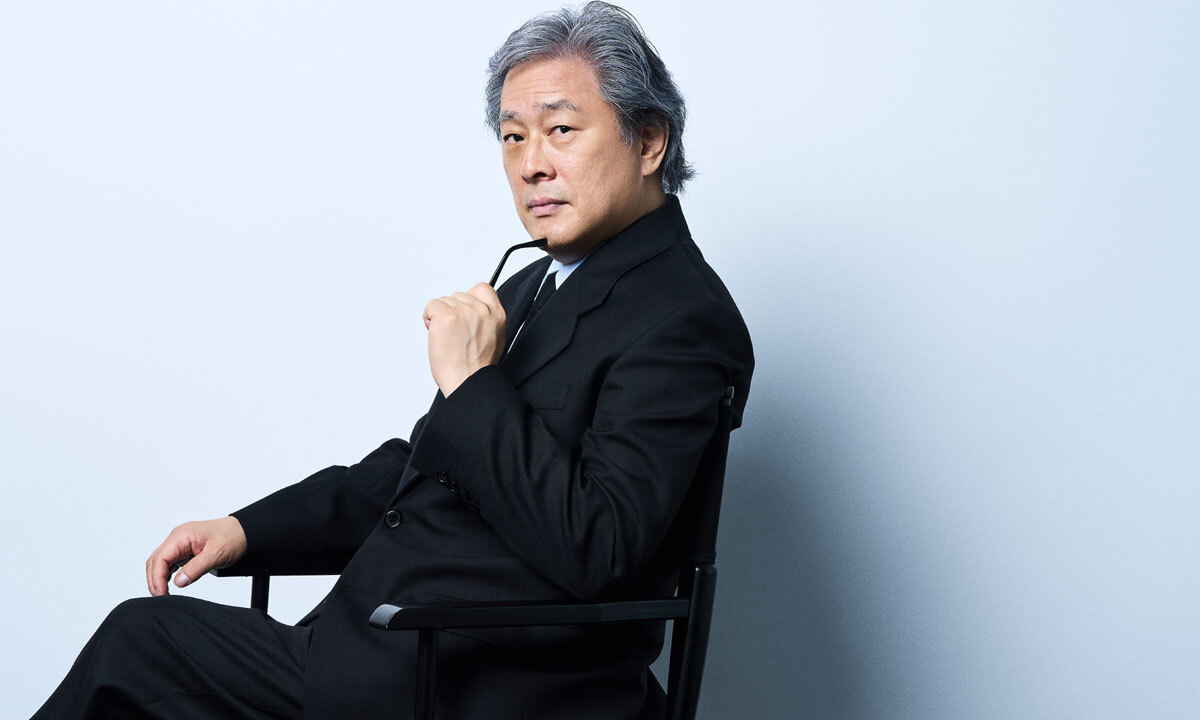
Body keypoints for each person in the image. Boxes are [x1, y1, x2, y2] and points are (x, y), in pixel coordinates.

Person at [32, 3, 752, 719]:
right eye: (512, 137)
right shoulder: (535, 283)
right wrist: (249, 530)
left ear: (648, 140)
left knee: (138, 643)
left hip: (478, 680)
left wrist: (472, 383)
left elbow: (599, 548)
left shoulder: (681, 317)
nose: (532, 165)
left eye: (561, 130)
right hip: (383, 645)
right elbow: (421, 471)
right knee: (148, 646)